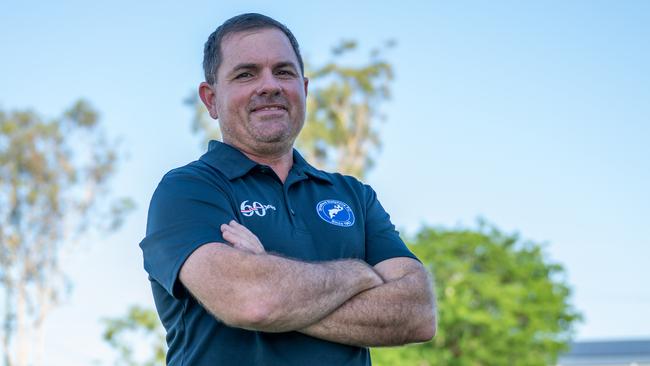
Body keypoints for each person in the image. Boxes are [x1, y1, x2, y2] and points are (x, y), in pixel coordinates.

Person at [140, 13, 436, 366]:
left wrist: (270, 273)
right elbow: (253, 301)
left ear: (304, 89)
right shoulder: (188, 190)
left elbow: (417, 313)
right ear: (211, 99)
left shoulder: (354, 196)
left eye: (283, 71)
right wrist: (360, 273)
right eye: (246, 74)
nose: (269, 85)